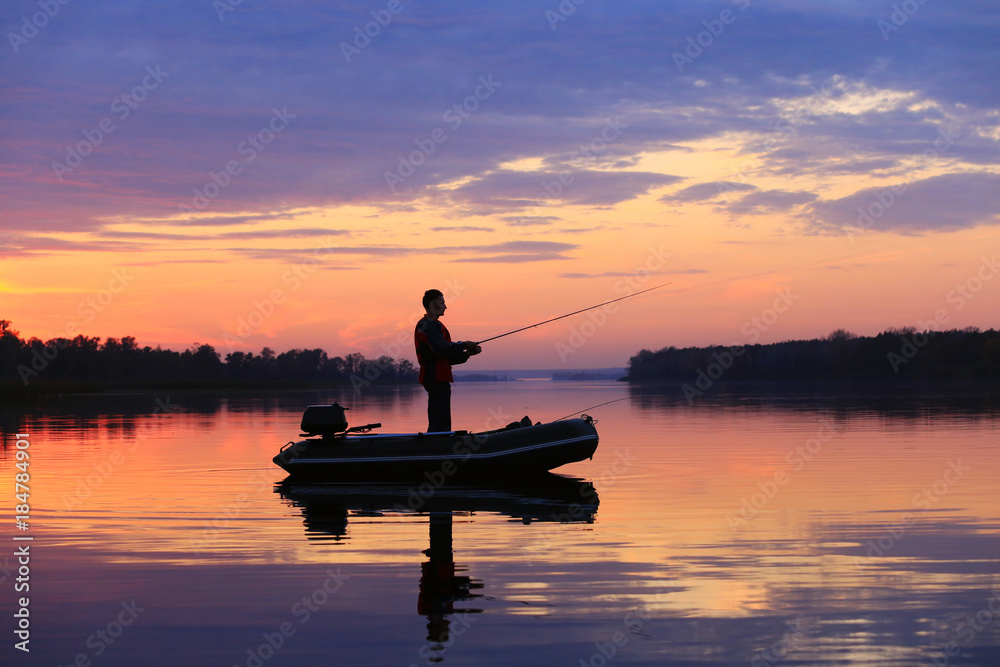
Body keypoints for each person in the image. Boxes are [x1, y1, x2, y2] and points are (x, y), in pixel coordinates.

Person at [414, 289, 482, 432]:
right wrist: (464, 345)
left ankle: (437, 444)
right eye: (442, 302)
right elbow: (441, 348)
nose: (445, 306)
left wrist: (467, 353)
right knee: (440, 420)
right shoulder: (428, 325)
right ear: (433, 304)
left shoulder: (433, 325)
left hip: (438, 377)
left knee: (440, 419)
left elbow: (447, 357)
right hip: (435, 377)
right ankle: (438, 446)